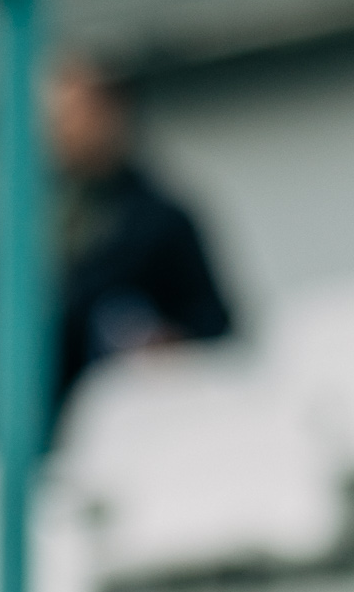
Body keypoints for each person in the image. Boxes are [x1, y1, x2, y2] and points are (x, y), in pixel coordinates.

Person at [46, 54, 232, 404]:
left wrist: (173, 342)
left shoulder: (160, 218)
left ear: (114, 113)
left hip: (146, 407)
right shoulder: (41, 222)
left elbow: (215, 323)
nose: (62, 129)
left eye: (76, 113)